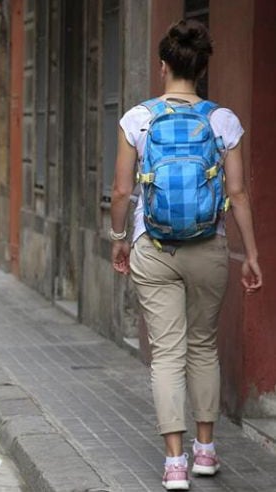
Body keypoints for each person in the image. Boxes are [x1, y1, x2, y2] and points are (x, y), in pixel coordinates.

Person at [110, 20, 262, 491]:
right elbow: (236, 193)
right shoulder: (223, 120)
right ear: (202, 69)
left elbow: (120, 190)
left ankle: (174, 464)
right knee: (203, 347)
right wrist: (251, 254)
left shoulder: (137, 119)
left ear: (162, 67)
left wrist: (118, 236)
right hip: (209, 247)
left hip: (152, 247)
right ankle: (206, 451)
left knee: (166, 354)